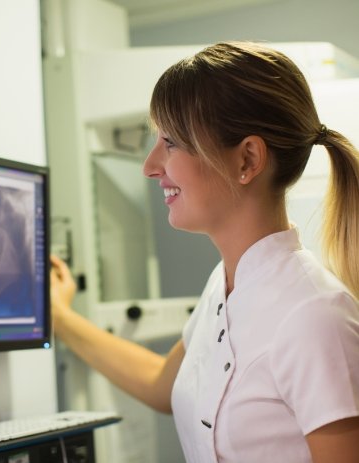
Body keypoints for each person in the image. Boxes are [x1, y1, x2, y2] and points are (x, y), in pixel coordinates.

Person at [50, 41, 359, 463]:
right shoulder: (225, 285)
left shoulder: (314, 317)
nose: (150, 165)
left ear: (247, 159)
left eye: (171, 142)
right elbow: (161, 383)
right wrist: (62, 319)